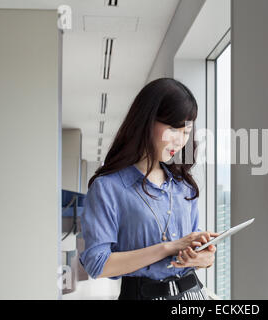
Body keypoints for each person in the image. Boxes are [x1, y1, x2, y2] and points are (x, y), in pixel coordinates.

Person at [79, 78, 219, 300]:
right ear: (146, 121)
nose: (180, 140)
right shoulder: (108, 187)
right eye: (174, 129)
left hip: (193, 295)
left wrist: (203, 258)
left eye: (186, 131)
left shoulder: (183, 185)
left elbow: (190, 250)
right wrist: (168, 248)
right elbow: (97, 264)